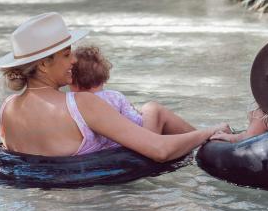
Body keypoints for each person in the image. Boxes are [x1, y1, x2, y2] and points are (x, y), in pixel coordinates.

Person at [0, 12, 228, 161]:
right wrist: (207, 132)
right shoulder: (81, 103)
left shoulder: (7, 110)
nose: (74, 61)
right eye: (67, 55)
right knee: (155, 110)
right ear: (44, 64)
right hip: (96, 209)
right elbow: (159, 150)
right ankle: (221, 142)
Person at [69, 44, 197, 145]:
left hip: (106, 146)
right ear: (104, 77)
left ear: (71, 80)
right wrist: (137, 112)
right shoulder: (114, 97)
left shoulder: (71, 102)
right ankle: (200, 138)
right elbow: (135, 121)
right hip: (136, 143)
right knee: (152, 108)